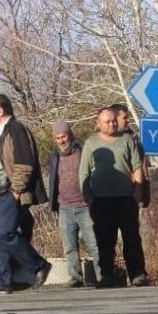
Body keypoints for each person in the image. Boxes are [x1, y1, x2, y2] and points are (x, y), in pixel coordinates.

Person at [0, 93, 51, 295]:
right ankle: (2, 281)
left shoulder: (16, 130)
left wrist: (16, 190)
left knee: (5, 233)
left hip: (10, 192)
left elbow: (24, 164)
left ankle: (37, 265)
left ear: (0, 111)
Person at [80, 106, 148, 287]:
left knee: (132, 237)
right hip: (101, 201)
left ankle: (137, 274)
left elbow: (137, 167)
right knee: (104, 240)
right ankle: (107, 275)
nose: (112, 124)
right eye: (107, 122)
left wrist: (138, 193)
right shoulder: (91, 143)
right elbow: (84, 173)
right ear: (98, 123)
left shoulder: (126, 140)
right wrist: (89, 198)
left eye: (113, 121)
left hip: (126, 199)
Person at [47, 120, 98, 287]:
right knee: (69, 246)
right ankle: (75, 277)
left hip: (85, 206)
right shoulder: (55, 156)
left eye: (64, 136)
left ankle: (102, 275)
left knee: (94, 244)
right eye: (58, 138)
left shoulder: (83, 151)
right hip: (65, 207)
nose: (61, 141)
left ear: (71, 135)